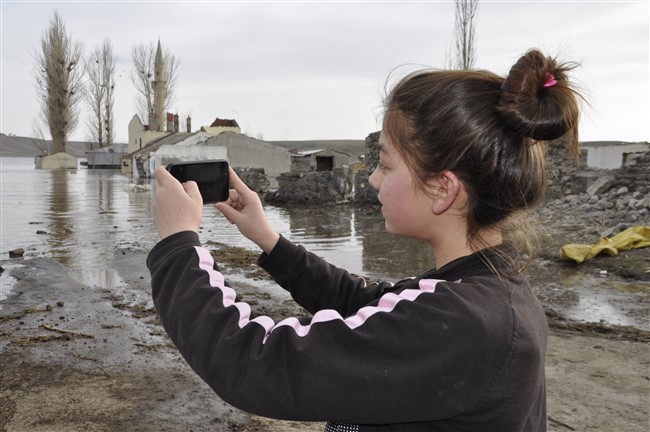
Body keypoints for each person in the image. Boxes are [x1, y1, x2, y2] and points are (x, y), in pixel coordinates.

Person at [147, 48, 582, 431]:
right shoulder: (480, 291)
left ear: (442, 189)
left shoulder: (466, 325)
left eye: (387, 166)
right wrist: (269, 240)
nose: (373, 178)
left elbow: (253, 362)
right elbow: (368, 304)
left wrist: (178, 243)